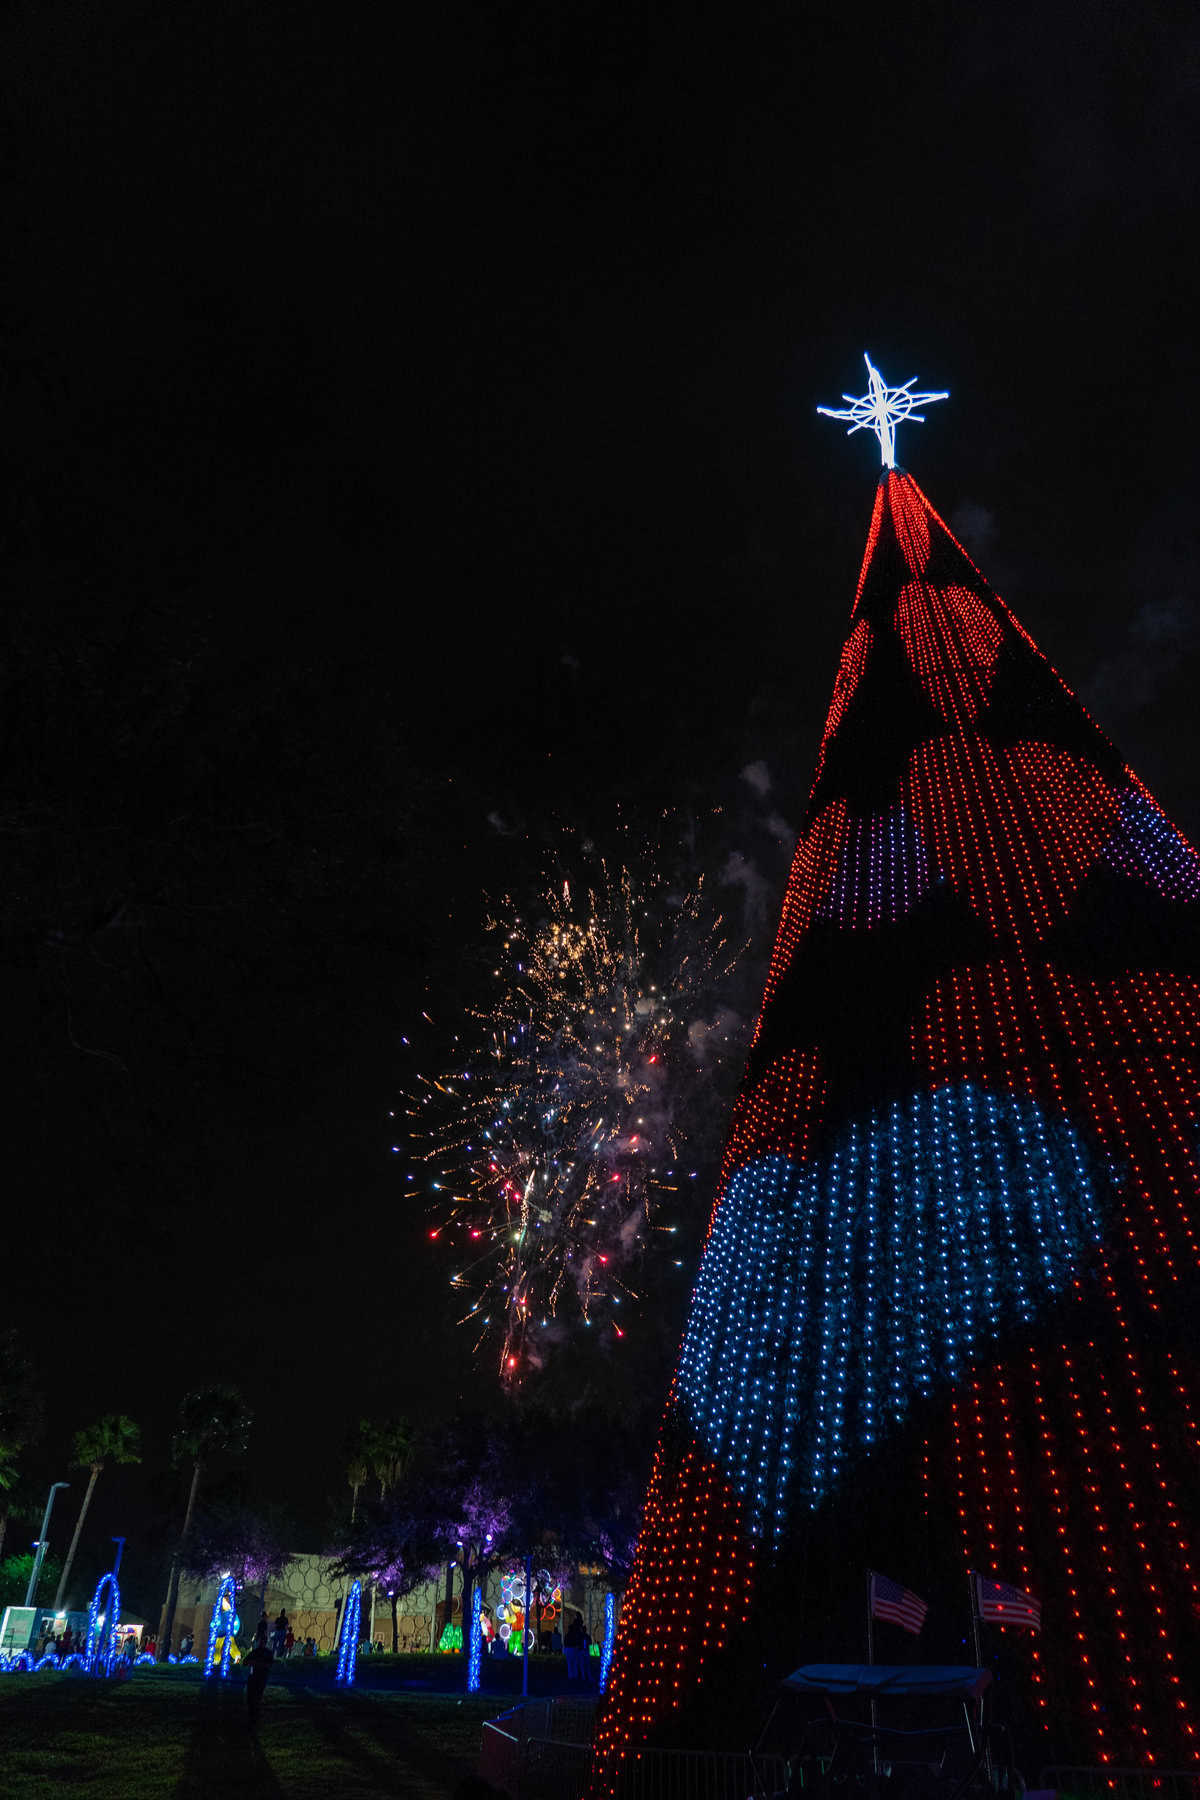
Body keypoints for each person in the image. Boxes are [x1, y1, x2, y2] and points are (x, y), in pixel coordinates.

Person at [243, 1617, 274, 1731]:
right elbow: (245, 1662)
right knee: (251, 1698)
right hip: (253, 1677)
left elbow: (270, 1664)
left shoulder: (267, 1653)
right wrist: (253, 1663)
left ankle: (255, 1718)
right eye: (260, 1641)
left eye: (263, 1641)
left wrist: (260, 1664)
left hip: (261, 1678)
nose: (262, 1642)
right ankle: (251, 1717)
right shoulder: (255, 1652)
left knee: (257, 1697)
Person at [564, 1612, 586, 1681]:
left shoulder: (570, 1634)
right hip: (574, 1647)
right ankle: (575, 1676)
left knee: (571, 1663)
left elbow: (566, 1641)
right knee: (575, 1663)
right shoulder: (577, 1631)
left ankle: (572, 1676)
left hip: (570, 1647)